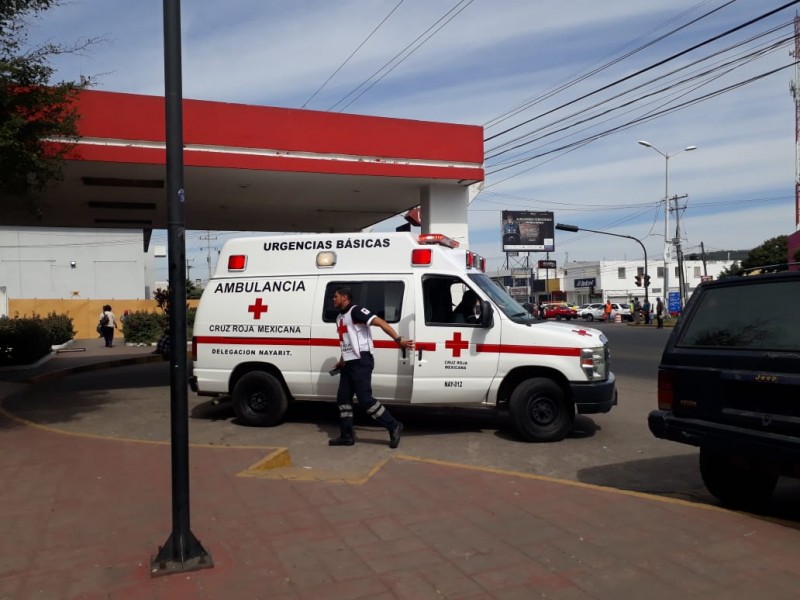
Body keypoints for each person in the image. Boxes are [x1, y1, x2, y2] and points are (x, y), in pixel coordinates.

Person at [329, 287, 414, 448]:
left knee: (366, 400)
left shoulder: (356, 311)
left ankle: (394, 425)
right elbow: (346, 341)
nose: (333, 299)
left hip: (362, 362)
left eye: (336, 296)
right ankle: (346, 436)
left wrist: (398, 339)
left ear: (345, 297)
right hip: (348, 363)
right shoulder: (340, 317)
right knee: (343, 399)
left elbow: (380, 322)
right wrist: (342, 359)